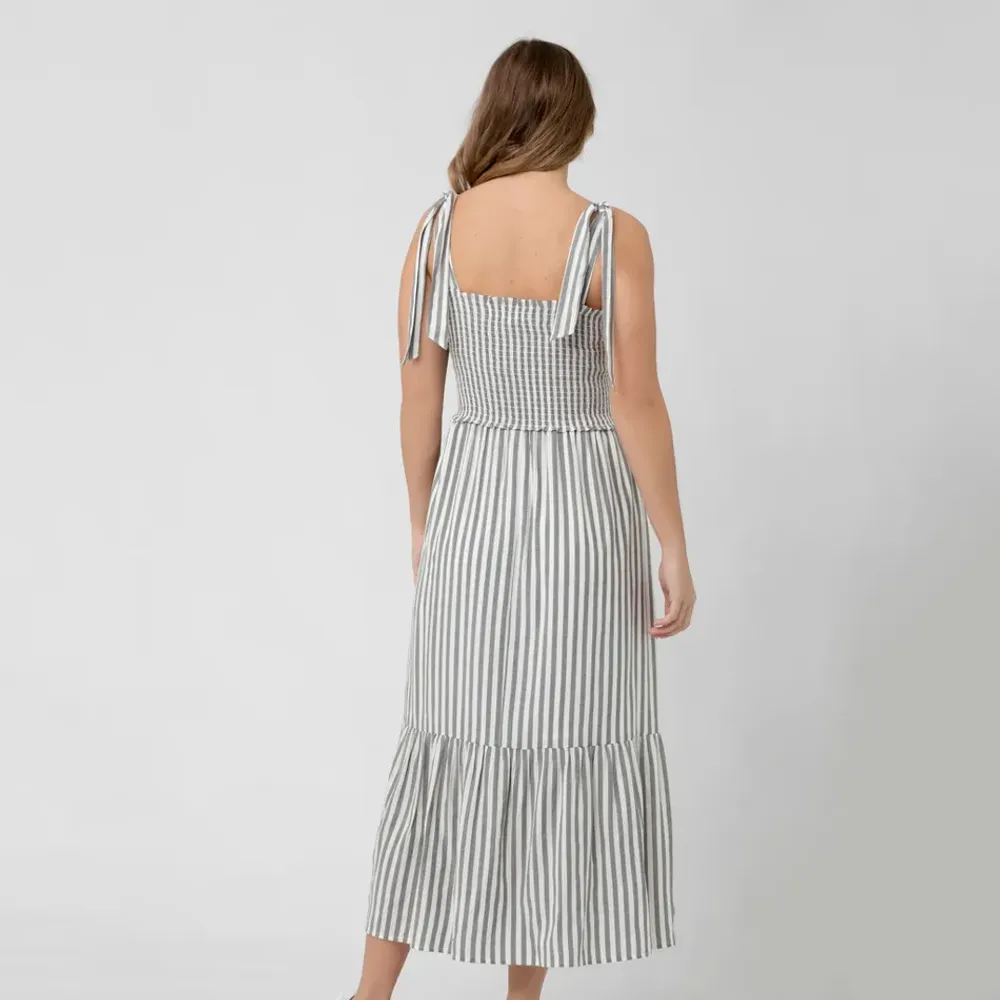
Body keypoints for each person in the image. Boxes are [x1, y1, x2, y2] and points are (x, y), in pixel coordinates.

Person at [341, 37, 696, 1000]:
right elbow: (636, 401)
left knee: (445, 740)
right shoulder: (611, 236)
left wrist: (425, 522)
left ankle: (369, 994)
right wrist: (672, 542)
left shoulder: (435, 231)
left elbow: (418, 402)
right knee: (559, 740)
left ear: (496, 111)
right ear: (577, 119)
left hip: (473, 503)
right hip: (583, 513)